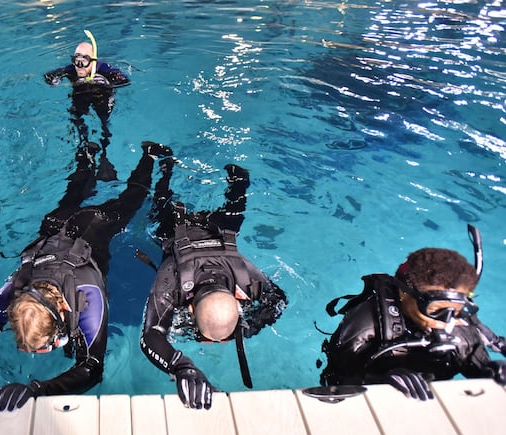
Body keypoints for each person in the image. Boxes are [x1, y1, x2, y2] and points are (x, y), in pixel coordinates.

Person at [0, 140, 172, 411]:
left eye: (46, 346)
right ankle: (86, 157)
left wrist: (37, 389)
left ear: (62, 312)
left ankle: (148, 156)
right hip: (55, 225)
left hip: (97, 223)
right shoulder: (16, 294)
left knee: (133, 198)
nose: (43, 352)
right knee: (70, 197)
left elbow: (92, 368)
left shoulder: (88, 293)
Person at [140, 149, 288, 410]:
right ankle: (165, 167)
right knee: (159, 207)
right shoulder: (171, 276)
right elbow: (149, 338)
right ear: (239, 300)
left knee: (233, 215)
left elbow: (279, 300)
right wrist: (180, 365)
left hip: (217, 229)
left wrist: (248, 327)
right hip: (173, 231)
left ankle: (233, 179)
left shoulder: (244, 274)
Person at [320, 226, 506, 400]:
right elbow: (335, 383)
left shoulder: (461, 326)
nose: (446, 322)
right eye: (436, 310)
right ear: (403, 293)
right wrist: (378, 381)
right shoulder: (367, 323)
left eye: (457, 310)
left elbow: (477, 369)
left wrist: (491, 373)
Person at [44, 32, 130, 180]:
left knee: (104, 123)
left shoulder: (104, 69)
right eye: (76, 61)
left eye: (83, 62)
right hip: (81, 95)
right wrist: (54, 81)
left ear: (93, 60)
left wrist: (107, 82)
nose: (79, 66)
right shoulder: (72, 69)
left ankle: (104, 154)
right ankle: (83, 151)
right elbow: (49, 76)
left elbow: (125, 80)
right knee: (76, 119)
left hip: (101, 96)